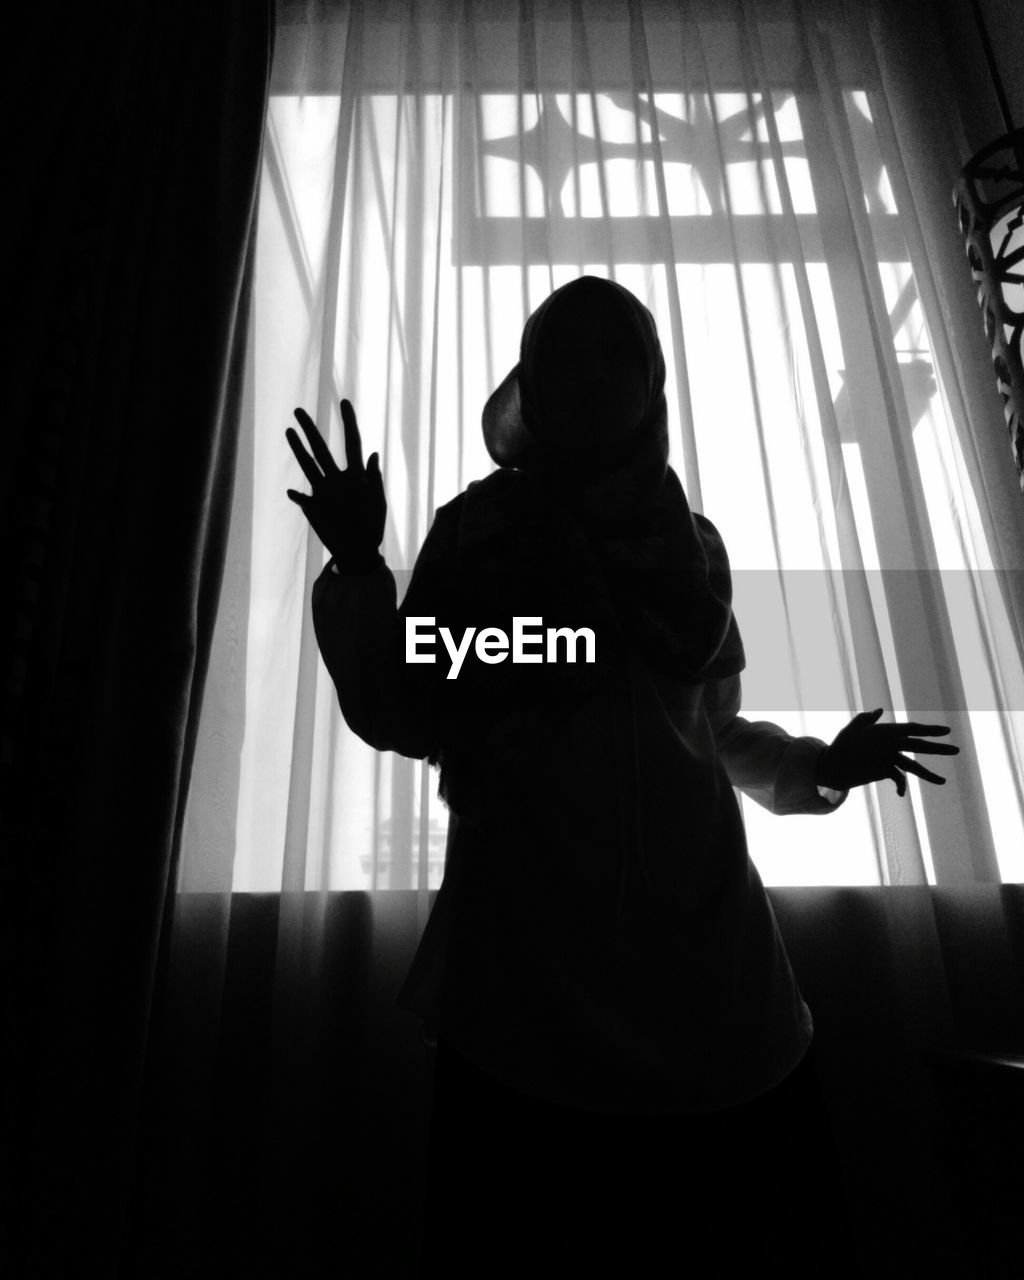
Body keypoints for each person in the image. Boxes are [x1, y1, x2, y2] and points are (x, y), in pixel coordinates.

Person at [286, 276, 958, 1276]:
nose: (594, 373)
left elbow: (712, 732)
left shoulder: (693, 550)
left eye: (620, 353)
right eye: (565, 352)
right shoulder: (478, 535)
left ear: (655, 383)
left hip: (716, 987)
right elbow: (410, 711)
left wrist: (821, 767)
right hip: (529, 989)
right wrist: (359, 567)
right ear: (530, 383)